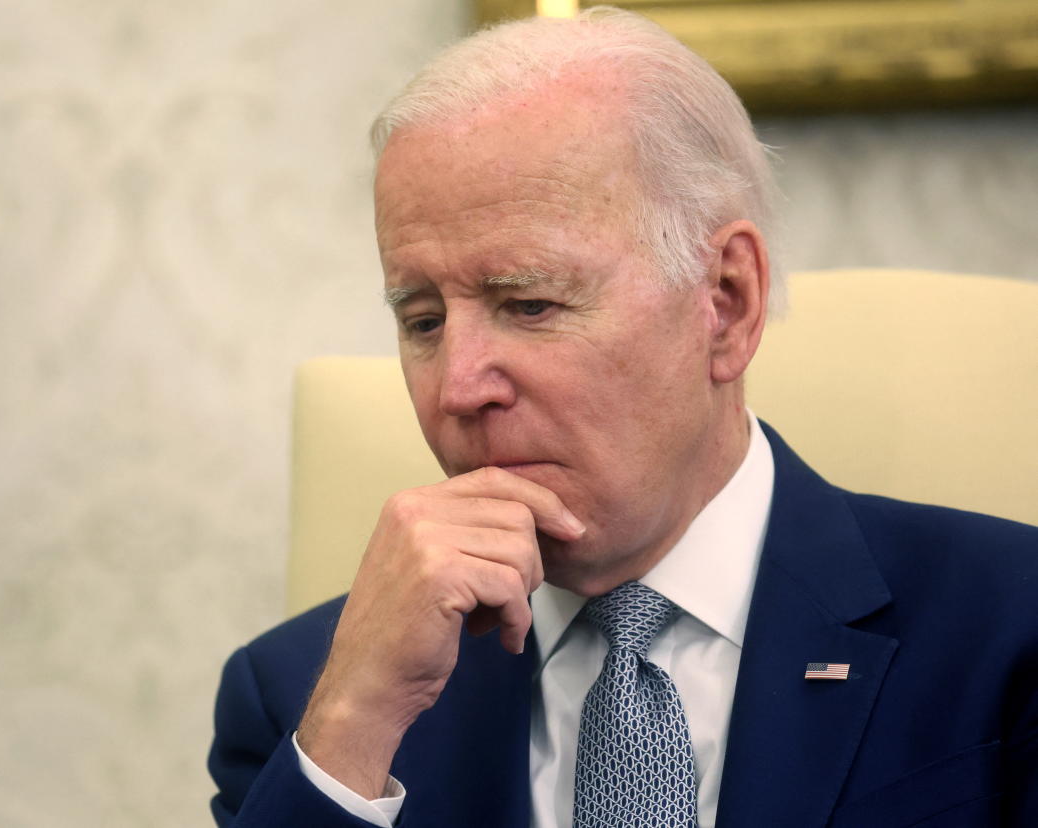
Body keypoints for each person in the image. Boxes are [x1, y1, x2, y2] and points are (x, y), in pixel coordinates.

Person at [208, 8, 1038, 827]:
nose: (458, 387)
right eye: (423, 321)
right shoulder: (304, 702)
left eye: (528, 304)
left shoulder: (1008, 628)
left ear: (726, 302)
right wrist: (353, 727)